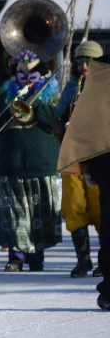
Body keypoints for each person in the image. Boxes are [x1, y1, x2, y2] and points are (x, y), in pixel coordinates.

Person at [0, 49, 62, 272]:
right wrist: (10, 103)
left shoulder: (52, 90)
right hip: (10, 162)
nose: (26, 79)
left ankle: (36, 258)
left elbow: (55, 121)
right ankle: (15, 258)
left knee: (38, 215)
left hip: (41, 161)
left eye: (32, 75)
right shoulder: (3, 89)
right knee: (14, 215)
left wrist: (35, 101)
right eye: (22, 74)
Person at [57, 53, 110, 309]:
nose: (84, 66)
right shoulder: (94, 75)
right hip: (99, 158)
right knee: (95, 216)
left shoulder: (99, 74)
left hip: (101, 159)